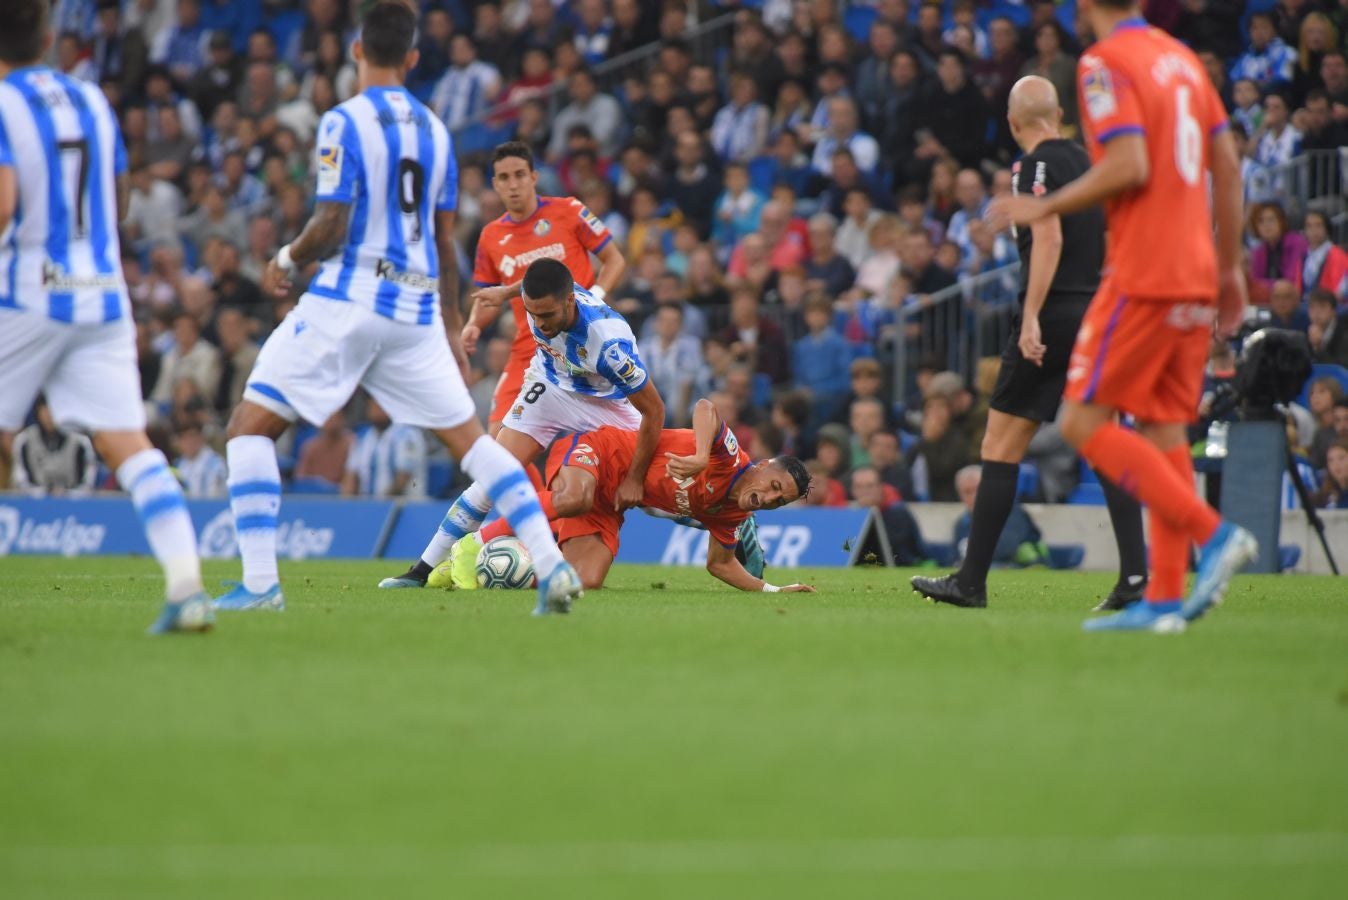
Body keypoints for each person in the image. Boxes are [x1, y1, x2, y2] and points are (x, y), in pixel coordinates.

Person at [217, 3, 583, 617]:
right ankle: (551, 568)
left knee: (247, 431)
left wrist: (285, 257)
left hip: (351, 294)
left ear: (358, 51)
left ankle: (258, 585)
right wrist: (446, 328)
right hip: (414, 308)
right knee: (475, 445)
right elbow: (443, 242)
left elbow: (331, 221)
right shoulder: (436, 129)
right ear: (413, 58)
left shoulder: (344, 120)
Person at [990, 1, 1256, 632]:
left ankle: (1213, 535)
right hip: (1194, 270)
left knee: (1083, 420)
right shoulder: (1183, 61)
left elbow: (1130, 164)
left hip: (1145, 272)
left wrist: (1042, 206)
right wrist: (1228, 268)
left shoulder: (1105, 62)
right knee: (1165, 429)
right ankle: (1163, 600)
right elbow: (1226, 164)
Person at [0, 0, 211, 633]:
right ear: (47, 36)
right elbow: (117, 198)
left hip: (30, 291)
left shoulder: (4, 103)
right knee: (129, 444)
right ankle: (187, 587)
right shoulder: (92, 100)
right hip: (102, 289)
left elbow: (5, 203)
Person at [913, 76, 1147, 611]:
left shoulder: (1031, 166)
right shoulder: (1093, 165)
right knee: (1105, 441)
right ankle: (1135, 577)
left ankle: (970, 582)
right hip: (1095, 313)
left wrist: (1033, 317)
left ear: (1015, 125)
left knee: (1000, 446)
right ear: (1060, 112)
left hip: (1054, 312)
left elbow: (1048, 234)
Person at [378, 257, 666, 591]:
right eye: (533, 313)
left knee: (653, 488)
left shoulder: (608, 345)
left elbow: (655, 410)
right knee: (491, 474)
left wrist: (632, 478)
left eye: (548, 315)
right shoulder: (541, 298)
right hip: (549, 388)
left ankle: (732, 530)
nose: (540, 324)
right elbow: (534, 280)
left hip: (606, 405)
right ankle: (421, 571)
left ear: (570, 300)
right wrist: (505, 293)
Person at [472, 398, 815, 593]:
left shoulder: (731, 515)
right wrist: (698, 455)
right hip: (599, 451)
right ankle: (474, 542)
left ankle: (496, 572)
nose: (771, 499)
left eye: (779, 501)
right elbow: (705, 407)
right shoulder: (728, 457)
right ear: (765, 465)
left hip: (611, 503)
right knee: (574, 498)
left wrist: (773, 591)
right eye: (774, 486)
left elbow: (720, 564)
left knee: (585, 581)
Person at [460, 141, 627, 438]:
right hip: (529, 351)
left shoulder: (570, 210)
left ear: (534, 177)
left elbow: (614, 259)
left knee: (597, 442)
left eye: (520, 174)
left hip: (581, 342)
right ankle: (530, 488)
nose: (513, 184)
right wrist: (473, 324)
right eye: (504, 177)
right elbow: (488, 295)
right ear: (495, 184)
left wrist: (595, 299)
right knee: (498, 437)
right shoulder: (490, 236)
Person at [10, 398, 98, 496]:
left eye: (53, 410)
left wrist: (65, 494)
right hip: (35, 505)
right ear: (38, 412)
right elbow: (21, 481)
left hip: (73, 505)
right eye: (45, 410)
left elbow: (87, 484)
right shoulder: (24, 441)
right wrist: (46, 493)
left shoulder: (80, 442)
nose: (49, 416)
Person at [174, 422, 227, 498]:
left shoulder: (216, 464)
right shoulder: (177, 465)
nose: (190, 442)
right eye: (185, 438)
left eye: (193, 437)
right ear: (179, 442)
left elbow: (215, 497)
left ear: (201, 438)